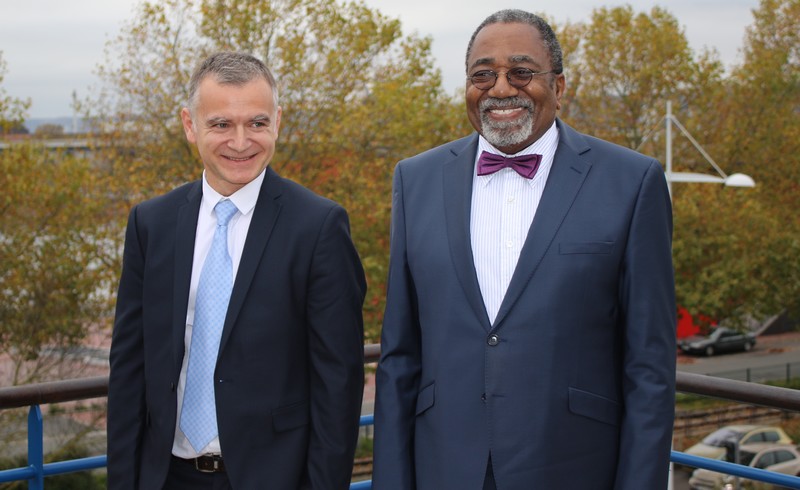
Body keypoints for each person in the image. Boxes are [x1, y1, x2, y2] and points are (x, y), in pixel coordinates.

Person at [373, 9, 676, 490]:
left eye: (521, 72)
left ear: (558, 87)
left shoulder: (632, 182)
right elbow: (400, 358)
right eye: (483, 74)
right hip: (443, 467)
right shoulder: (415, 180)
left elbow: (650, 369)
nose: (500, 88)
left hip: (574, 468)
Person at [108, 51, 367, 490]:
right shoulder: (152, 223)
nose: (241, 141)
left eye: (258, 123)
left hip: (275, 477)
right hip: (164, 476)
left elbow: (337, 383)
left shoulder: (318, 227)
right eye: (221, 124)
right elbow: (129, 369)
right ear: (191, 126)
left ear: (278, 123)